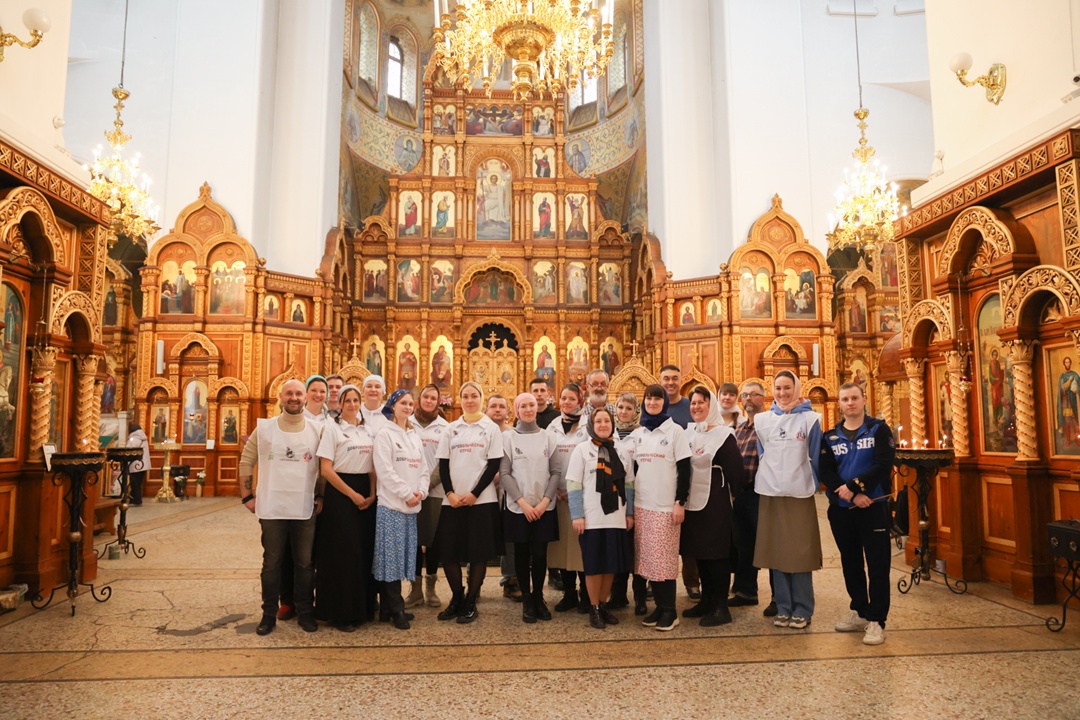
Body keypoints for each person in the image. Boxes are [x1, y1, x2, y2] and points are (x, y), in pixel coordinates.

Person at [239, 379, 324, 635]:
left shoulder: (317, 429)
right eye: (289, 393)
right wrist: (247, 496)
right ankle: (268, 615)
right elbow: (246, 460)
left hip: (303, 505)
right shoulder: (265, 429)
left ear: (305, 398)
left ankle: (305, 612)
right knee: (272, 563)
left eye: (298, 393)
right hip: (272, 506)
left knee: (304, 563)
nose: (294, 397)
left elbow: (323, 467)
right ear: (281, 397)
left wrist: (320, 496)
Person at [819, 382, 896, 646]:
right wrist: (851, 495)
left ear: (864, 399)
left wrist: (856, 487)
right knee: (850, 562)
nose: (850, 403)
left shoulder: (878, 429)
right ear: (839, 404)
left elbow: (883, 464)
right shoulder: (830, 436)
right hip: (842, 510)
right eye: (845, 399)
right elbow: (826, 471)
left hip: (873, 507)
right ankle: (860, 611)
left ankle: (877, 620)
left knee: (877, 564)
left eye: (854, 398)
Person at [753, 370, 823, 631]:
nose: (782, 393)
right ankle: (783, 607)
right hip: (771, 493)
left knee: (800, 552)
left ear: (797, 388)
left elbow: (816, 456)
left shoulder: (810, 419)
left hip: (799, 493)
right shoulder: (762, 420)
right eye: (778, 388)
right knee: (777, 551)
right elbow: (762, 454)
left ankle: (803, 608)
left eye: (787, 388)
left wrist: (812, 483)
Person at [432, 382, 504, 623]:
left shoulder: (490, 428)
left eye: (474, 396)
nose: (470, 400)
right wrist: (450, 493)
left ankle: (471, 601)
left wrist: (475, 493)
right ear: (460, 399)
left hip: (481, 501)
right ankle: (457, 597)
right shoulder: (451, 429)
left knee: (478, 553)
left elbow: (493, 464)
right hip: (452, 501)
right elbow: (443, 464)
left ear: (481, 398)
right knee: (448, 553)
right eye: (465, 396)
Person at [681, 387, 747, 626]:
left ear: (711, 406)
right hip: (692, 503)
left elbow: (736, 473)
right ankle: (706, 600)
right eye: (693, 403)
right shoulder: (689, 432)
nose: (696, 407)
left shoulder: (723, 435)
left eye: (702, 402)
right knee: (700, 552)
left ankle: (721, 606)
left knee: (716, 555)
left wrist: (730, 499)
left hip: (715, 503)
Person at [629, 384, 692, 631]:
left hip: (665, 507)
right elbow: (635, 468)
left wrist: (680, 502)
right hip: (642, 505)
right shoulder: (640, 433)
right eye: (648, 398)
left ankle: (670, 611)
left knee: (664, 561)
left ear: (664, 402)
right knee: (648, 561)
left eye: (657, 398)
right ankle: (659, 607)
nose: (652, 402)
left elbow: (685, 470)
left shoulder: (676, 432)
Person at [314, 384, 376, 631]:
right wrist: (352, 495)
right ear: (340, 404)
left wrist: (372, 493)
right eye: (347, 400)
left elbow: (372, 466)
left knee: (362, 551)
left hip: (365, 493)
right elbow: (326, 469)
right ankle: (340, 613)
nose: (352, 404)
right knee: (344, 553)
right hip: (341, 494)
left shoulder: (367, 430)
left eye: (355, 400)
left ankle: (361, 609)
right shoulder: (332, 428)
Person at [567, 407, 635, 629]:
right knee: (594, 565)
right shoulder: (582, 450)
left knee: (610, 565)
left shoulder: (621, 450)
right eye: (599, 421)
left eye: (607, 421)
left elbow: (629, 484)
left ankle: (603, 604)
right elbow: (573, 485)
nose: (603, 425)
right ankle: (594, 607)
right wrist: (577, 515)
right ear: (592, 425)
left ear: (612, 424)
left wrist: (629, 513)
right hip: (591, 517)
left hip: (616, 516)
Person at [501, 392, 560, 623]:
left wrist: (544, 502)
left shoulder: (548, 437)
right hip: (519, 507)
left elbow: (555, 472)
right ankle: (527, 599)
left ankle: (538, 597)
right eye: (523, 406)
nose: (528, 409)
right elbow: (505, 474)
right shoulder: (508, 438)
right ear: (516, 410)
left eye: (531, 405)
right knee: (522, 554)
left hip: (544, 506)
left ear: (537, 408)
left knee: (540, 554)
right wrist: (523, 503)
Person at [373, 389, 429, 630]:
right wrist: (407, 494)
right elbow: (384, 471)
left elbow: (423, 468)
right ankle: (395, 608)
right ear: (393, 406)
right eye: (402, 403)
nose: (407, 407)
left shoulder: (414, 435)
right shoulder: (385, 434)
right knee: (391, 560)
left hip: (411, 508)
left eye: (410, 403)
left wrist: (421, 492)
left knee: (403, 558)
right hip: (392, 506)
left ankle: (389, 607)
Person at [730, 381, 775, 616]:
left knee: (770, 544)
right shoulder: (739, 429)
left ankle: (778, 597)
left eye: (753, 394)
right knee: (743, 543)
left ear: (763, 398)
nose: (748, 398)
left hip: (763, 493)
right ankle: (746, 590)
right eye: (745, 395)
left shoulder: (770, 424)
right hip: (741, 493)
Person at [547, 383, 591, 614]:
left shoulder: (588, 425)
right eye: (563, 398)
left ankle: (586, 593)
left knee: (580, 547)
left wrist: (577, 490)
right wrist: (553, 488)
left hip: (581, 495)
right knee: (562, 547)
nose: (566, 402)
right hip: (557, 495)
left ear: (579, 401)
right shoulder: (552, 426)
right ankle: (569, 593)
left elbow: (593, 457)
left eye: (571, 398)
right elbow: (545, 459)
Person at [658, 364, 697, 600]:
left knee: (689, 535)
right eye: (666, 378)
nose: (670, 382)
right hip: (660, 481)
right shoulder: (654, 406)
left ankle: (692, 582)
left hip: (686, 476)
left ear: (680, 381)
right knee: (660, 535)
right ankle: (656, 581)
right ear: (659, 381)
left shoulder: (689, 406)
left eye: (674, 378)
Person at [410, 384, 449, 608]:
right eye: (426, 396)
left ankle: (431, 588)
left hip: (434, 491)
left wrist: (426, 485)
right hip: (410, 492)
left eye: (433, 398)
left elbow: (444, 461)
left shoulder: (445, 427)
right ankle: (414, 590)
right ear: (419, 398)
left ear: (438, 401)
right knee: (414, 540)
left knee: (433, 540)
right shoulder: (407, 423)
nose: (429, 401)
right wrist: (413, 487)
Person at [609, 392, 643, 610]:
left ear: (636, 412)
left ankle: (640, 596)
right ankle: (618, 594)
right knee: (619, 547)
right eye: (620, 407)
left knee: (637, 548)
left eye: (629, 408)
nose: (623, 412)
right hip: (613, 499)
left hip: (637, 497)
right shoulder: (608, 432)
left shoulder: (642, 434)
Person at [126, 421, 151, 506]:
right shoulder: (143, 438)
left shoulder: (135, 438)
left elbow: (129, 449)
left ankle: (136, 500)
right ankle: (135, 499)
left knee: (134, 483)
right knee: (137, 483)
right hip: (143, 464)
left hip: (136, 465)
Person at [1058, 357, 1080, 447]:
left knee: (1076, 421)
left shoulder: (1075, 375)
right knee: (1067, 422)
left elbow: (1079, 386)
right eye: (1066, 362)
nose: (1067, 364)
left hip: (1074, 401)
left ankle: (1077, 439)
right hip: (1066, 402)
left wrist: (1077, 390)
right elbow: (1062, 389)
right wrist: (1069, 381)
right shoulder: (1062, 376)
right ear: (1064, 364)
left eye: (1069, 362)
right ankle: (1068, 440)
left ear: (1070, 363)